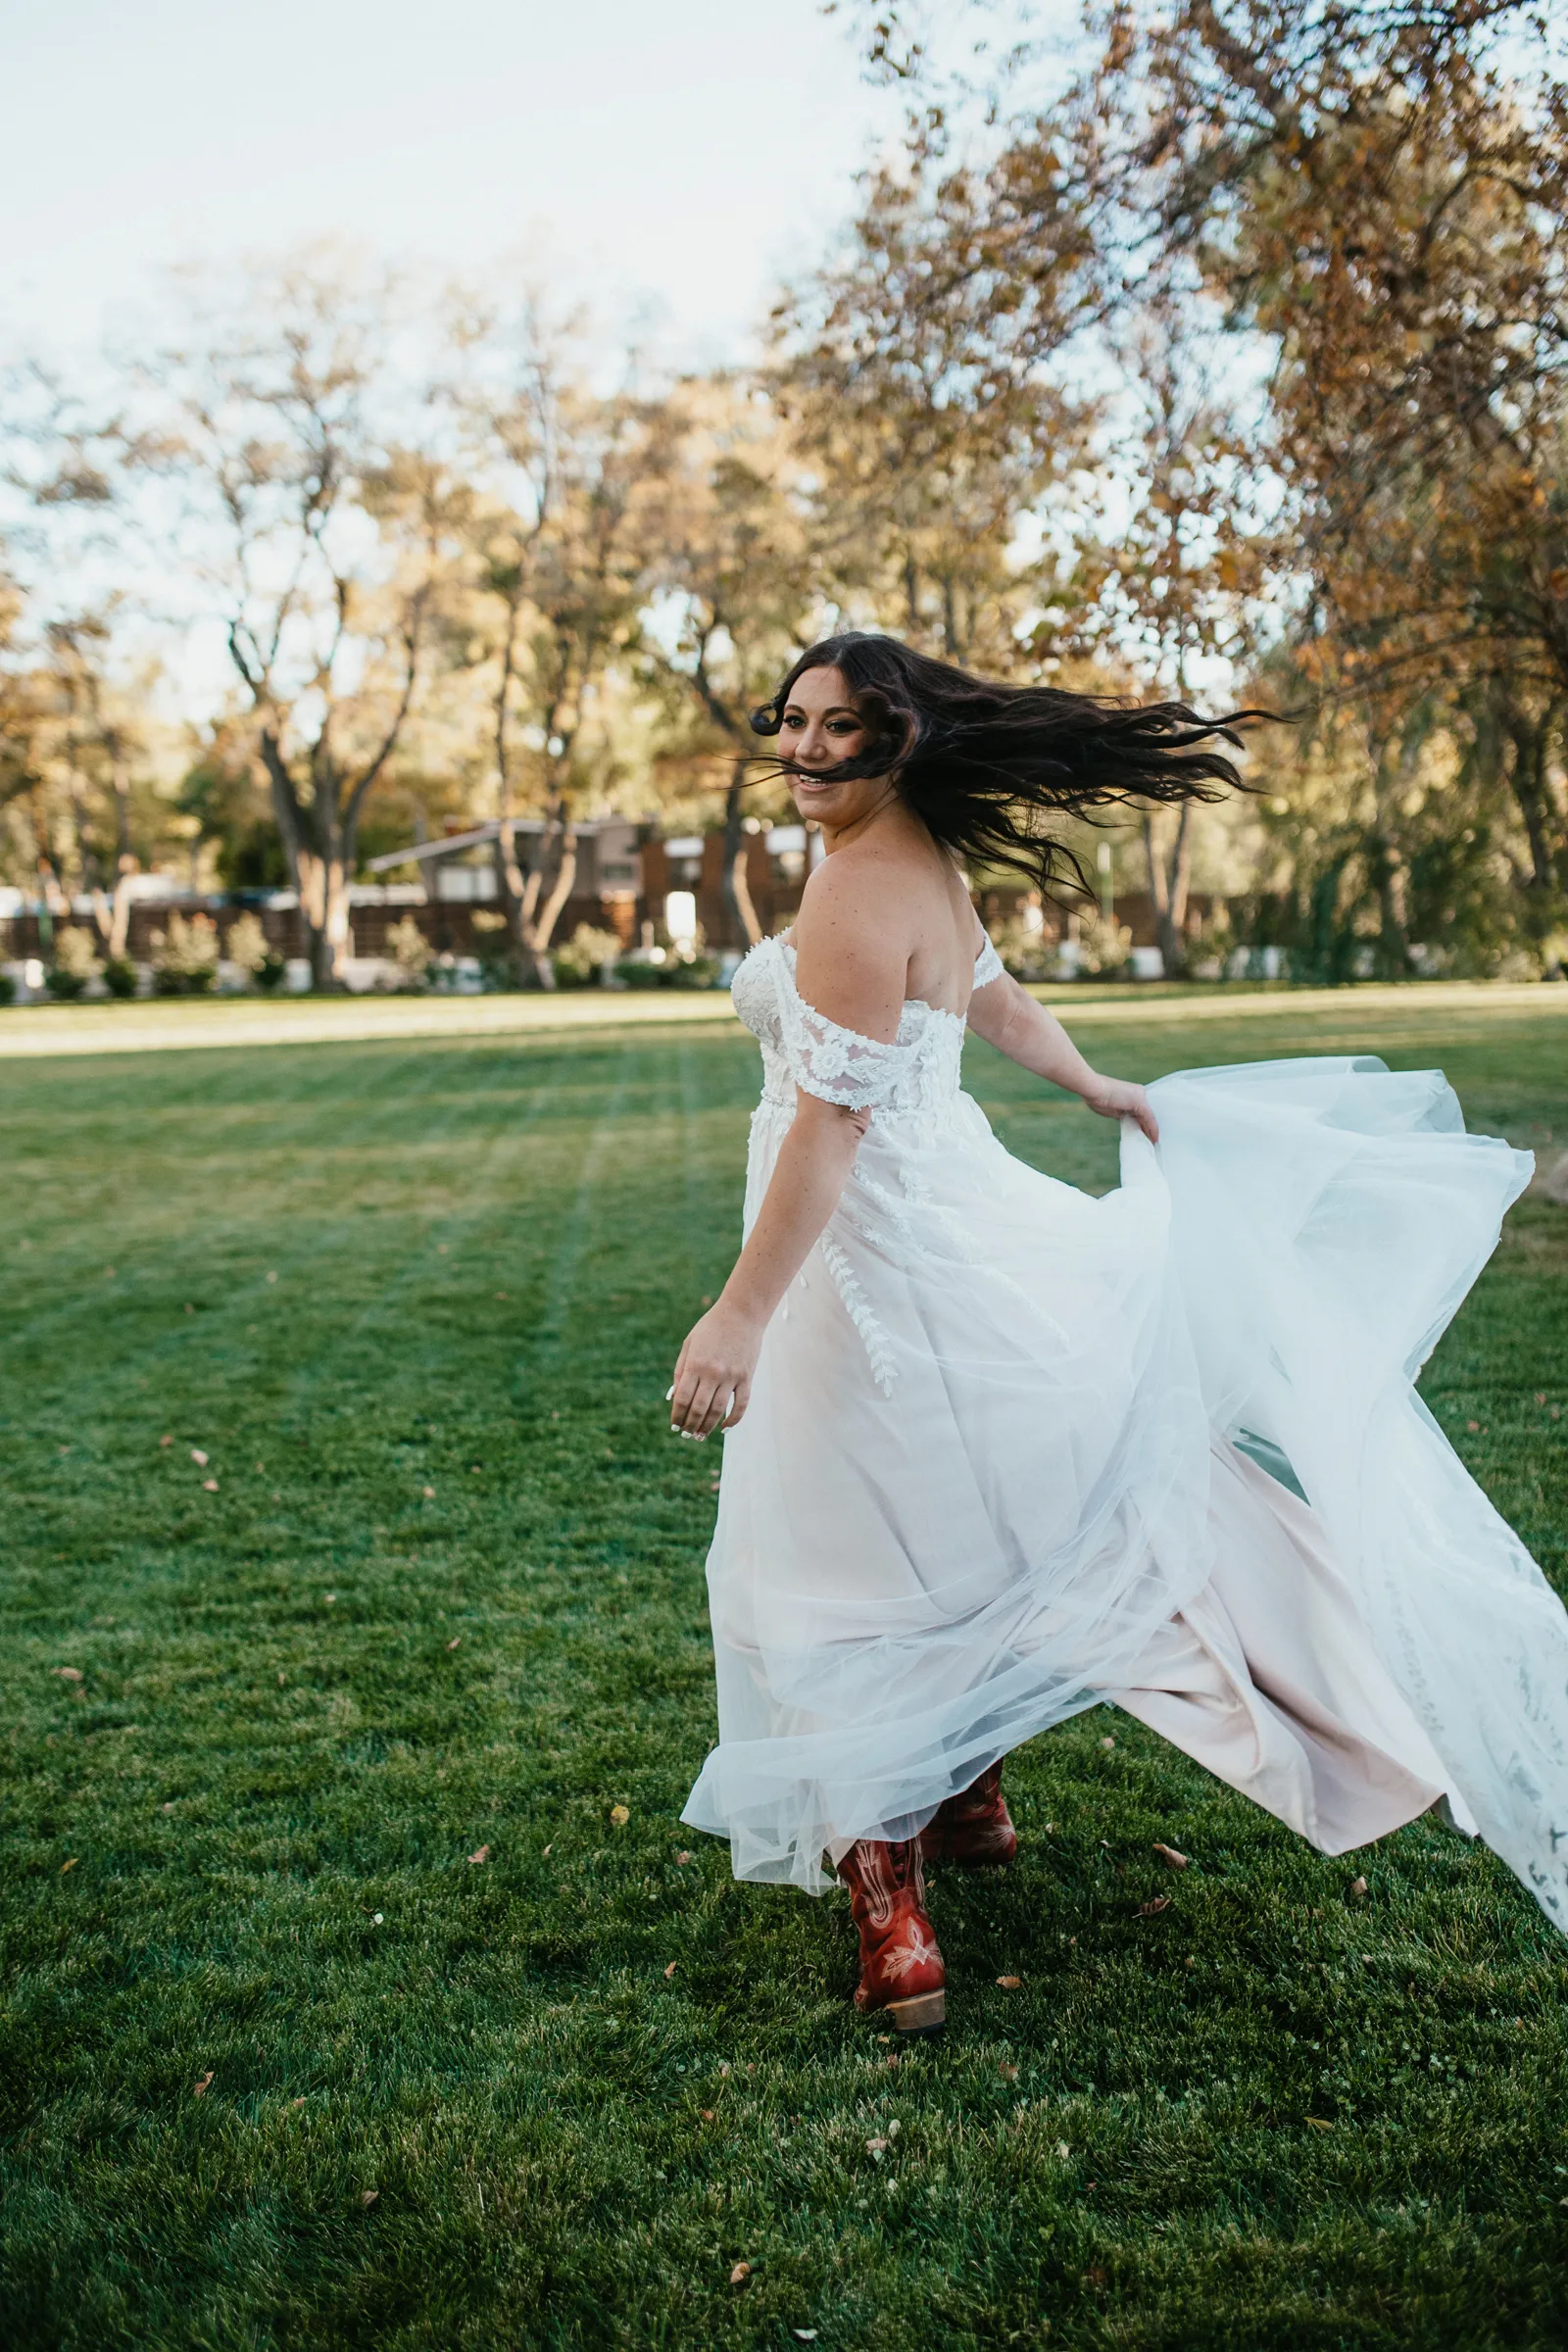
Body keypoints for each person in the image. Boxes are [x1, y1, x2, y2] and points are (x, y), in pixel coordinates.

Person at [672, 632, 1566, 2036]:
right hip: (944, 1220)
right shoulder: (916, 867)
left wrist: (739, 1311)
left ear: (899, 738)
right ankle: (961, 1786)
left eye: (834, 728)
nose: (799, 751)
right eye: (788, 723)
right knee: (982, 1498)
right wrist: (1087, 1082)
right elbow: (984, 991)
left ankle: (893, 1892)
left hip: (870, 1256)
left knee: (845, 1541)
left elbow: (830, 1126)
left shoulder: (857, 888)